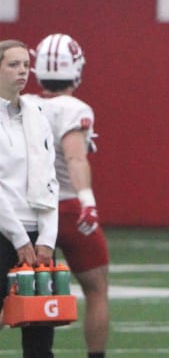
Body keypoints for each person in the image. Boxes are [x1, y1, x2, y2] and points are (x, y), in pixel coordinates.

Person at [24, 33, 109, 358]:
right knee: (97, 289)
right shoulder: (74, 109)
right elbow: (75, 157)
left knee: (17, 290)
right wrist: (88, 202)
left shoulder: (25, 104)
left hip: (28, 210)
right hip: (69, 207)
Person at [0, 39, 59, 357]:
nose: (22, 71)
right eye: (13, 64)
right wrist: (19, 238)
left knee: (39, 337)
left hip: (38, 240)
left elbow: (49, 180)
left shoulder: (37, 114)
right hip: (5, 233)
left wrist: (47, 239)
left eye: (25, 65)